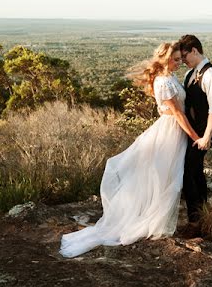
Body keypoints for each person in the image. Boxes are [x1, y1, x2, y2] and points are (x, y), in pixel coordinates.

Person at [59, 42, 201, 258]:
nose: (179, 62)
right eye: (175, 59)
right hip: (169, 132)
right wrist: (195, 137)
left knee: (169, 176)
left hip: (174, 131)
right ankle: (154, 223)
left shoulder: (170, 77)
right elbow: (178, 114)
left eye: (180, 59)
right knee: (165, 177)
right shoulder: (163, 81)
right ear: (165, 59)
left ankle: (158, 220)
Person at [176, 34, 212, 238]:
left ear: (195, 50)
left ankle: (196, 221)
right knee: (194, 173)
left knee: (190, 173)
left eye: (184, 56)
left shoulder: (211, 75)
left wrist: (206, 137)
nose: (183, 60)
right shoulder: (190, 74)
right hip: (190, 133)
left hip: (201, 135)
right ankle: (200, 217)